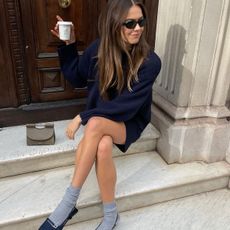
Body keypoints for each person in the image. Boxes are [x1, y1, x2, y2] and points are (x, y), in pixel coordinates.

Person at [39, 0, 161, 229]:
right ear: (115, 25)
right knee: (102, 146)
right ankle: (110, 215)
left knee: (94, 124)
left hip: (129, 121)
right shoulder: (99, 49)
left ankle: (67, 204)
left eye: (141, 21)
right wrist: (70, 44)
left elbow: (126, 107)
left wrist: (83, 117)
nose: (138, 28)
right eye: (130, 23)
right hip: (102, 118)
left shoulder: (150, 62)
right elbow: (76, 77)